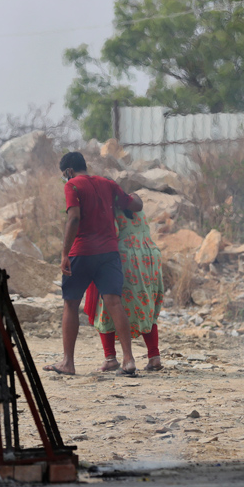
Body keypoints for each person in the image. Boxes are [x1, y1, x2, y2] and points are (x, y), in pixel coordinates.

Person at [43, 151, 143, 376]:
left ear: (68, 171)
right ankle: (128, 360)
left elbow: (74, 217)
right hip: (109, 252)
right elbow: (133, 205)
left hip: (83, 252)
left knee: (70, 304)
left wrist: (64, 254)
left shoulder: (72, 186)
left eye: (64, 175)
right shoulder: (107, 183)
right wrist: (138, 197)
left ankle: (68, 362)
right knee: (114, 303)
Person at [85, 206, 164, 372]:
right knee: (146, 305)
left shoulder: (110, 210)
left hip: (125, 258)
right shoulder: (136, 206)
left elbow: (108, 236)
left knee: (106, 305)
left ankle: (110, 358)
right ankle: (154, 357)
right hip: (149, 256)